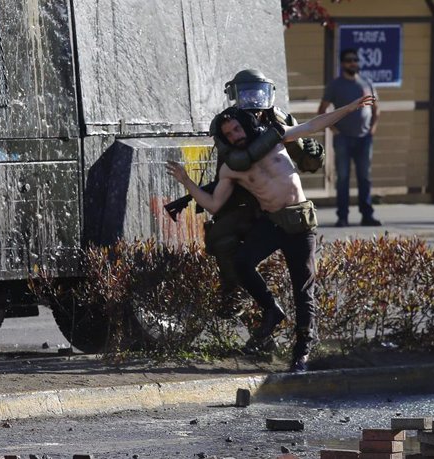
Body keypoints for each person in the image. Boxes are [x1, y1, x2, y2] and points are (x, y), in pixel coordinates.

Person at [166, 93, 375, 372]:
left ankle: (302, 351)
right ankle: (272, 310)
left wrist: (348, 107)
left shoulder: (276, 138)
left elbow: (313, 125)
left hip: (299, 224)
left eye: (237, 128)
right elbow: (214, 204)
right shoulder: (231, 168)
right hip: (272, 222)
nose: (234, 135)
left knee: (303, 289)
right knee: (241, 262)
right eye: (228, 134)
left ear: (247, 125)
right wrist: (187, 181)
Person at [164, 70, 325, 316]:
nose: (252, 100)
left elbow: (307, 162)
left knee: (300, 275)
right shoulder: (228, 124)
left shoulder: (278, 120)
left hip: (280, 203)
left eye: (256, 93)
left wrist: (314, 153)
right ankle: (236, 294)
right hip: (243, 198)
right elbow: (227, 171)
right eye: (246, 93)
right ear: (235, 95)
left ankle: (271, 312)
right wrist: (195, 191)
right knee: (222, 238)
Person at [318, 48, 382, 228]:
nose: (353, 63)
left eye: (355, 59)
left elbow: (377, 109)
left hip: (364, 138)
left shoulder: (366, 82)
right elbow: (322, 111)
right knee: (343, 178)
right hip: (343, 139)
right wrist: (334, 130)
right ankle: (343, 217)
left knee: (365, 178)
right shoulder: (335, 85)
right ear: (342, 63)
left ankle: (367, 215)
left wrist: (372, 129)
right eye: (348, 60)